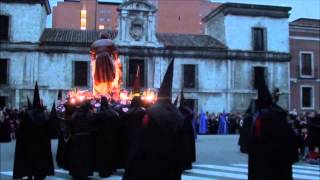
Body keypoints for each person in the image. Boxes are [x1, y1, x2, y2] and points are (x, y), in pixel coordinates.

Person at [124, 59, 184, 180]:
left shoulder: (150, 112)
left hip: (154, 158)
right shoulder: (178, 114)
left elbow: (142, 139)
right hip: (173, 160)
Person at [247, 68, 298, 180]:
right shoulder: (278, 113)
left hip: (264, 158)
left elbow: (255, 137)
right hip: (278, 158)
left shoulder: (260, 115)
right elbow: (290, 136)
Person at [13, 82, 54, 179]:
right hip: (42, 144)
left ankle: (30, 175)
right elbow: (49, 131)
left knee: (30, 161)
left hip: (29, 143)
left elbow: (21, 130)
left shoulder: (27, 115)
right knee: (40, 161)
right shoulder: (44, 115)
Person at [93, 96, 119, 177]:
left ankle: (103, 171)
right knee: (110, 153)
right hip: (111, 135)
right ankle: (110, 169)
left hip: (102, 136)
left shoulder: (99, 114)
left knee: (102, 155)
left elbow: (94, 123)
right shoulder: (114, 113)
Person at [68, 101, 95, 179]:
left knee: (76, 156)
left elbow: (70, 124)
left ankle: (75, 173)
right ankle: (84, 174)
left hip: (77, 137)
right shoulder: (90, 115)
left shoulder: (75, 115)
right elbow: (93, 125)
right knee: (85, 157)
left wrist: (73, 134)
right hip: (86, 138)